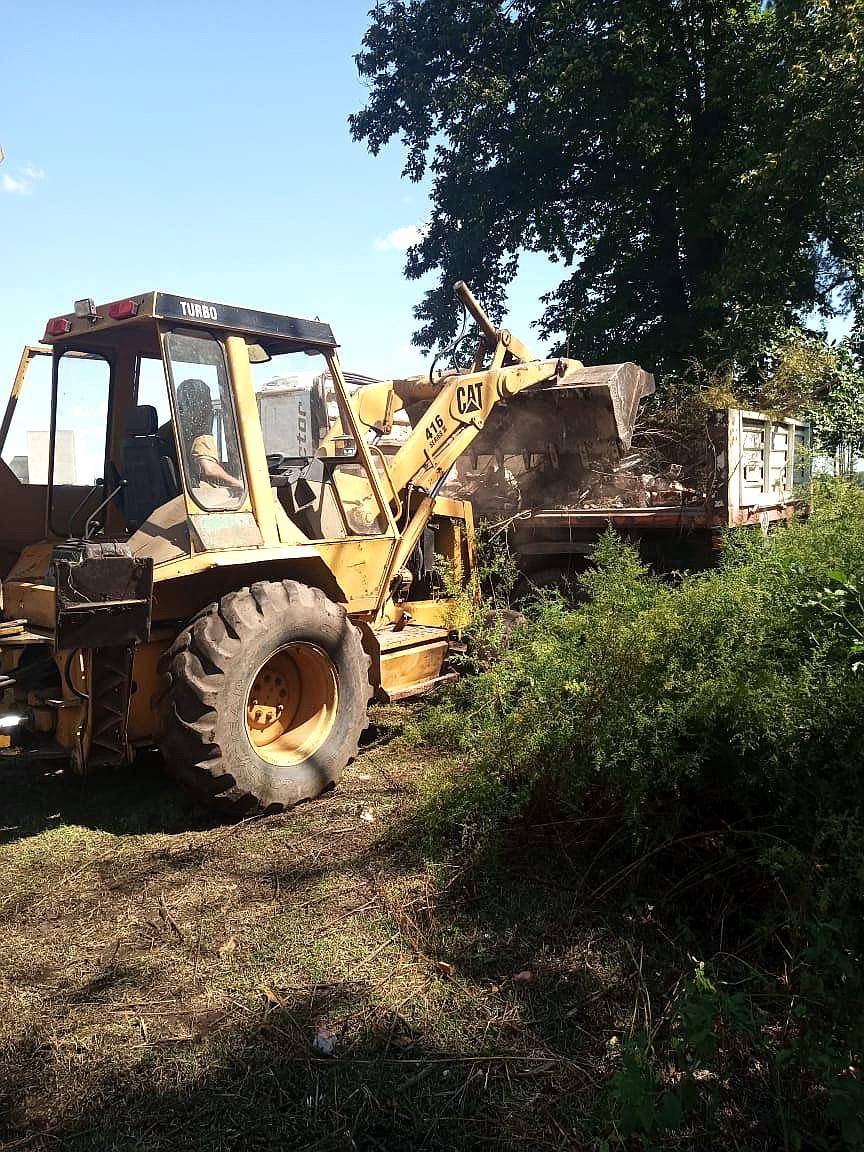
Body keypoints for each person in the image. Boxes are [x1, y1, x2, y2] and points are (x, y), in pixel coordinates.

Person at [175, 378, 243, 493]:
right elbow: (209, 469)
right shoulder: (198, 432)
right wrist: (239, 483)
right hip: (193, 494)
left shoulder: (169, 429)